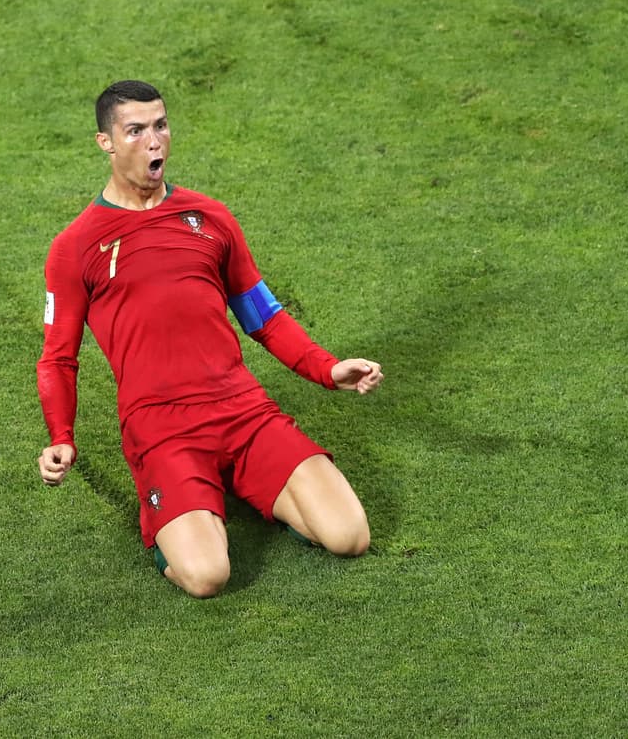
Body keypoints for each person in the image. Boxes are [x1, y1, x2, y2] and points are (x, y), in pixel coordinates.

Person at [36, 80, 383, 598]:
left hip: (242, 410)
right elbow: (58, 359)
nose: (154, 141)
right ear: (105, 142)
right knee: (207, 577)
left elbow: (262, 316)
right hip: (162, 428)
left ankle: (245, 488)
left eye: (160, 125)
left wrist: (327, 369)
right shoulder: (76, 246)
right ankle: (178, 522)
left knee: (350, 537)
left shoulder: (211, 218)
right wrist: (61, 436)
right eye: (135, 131)